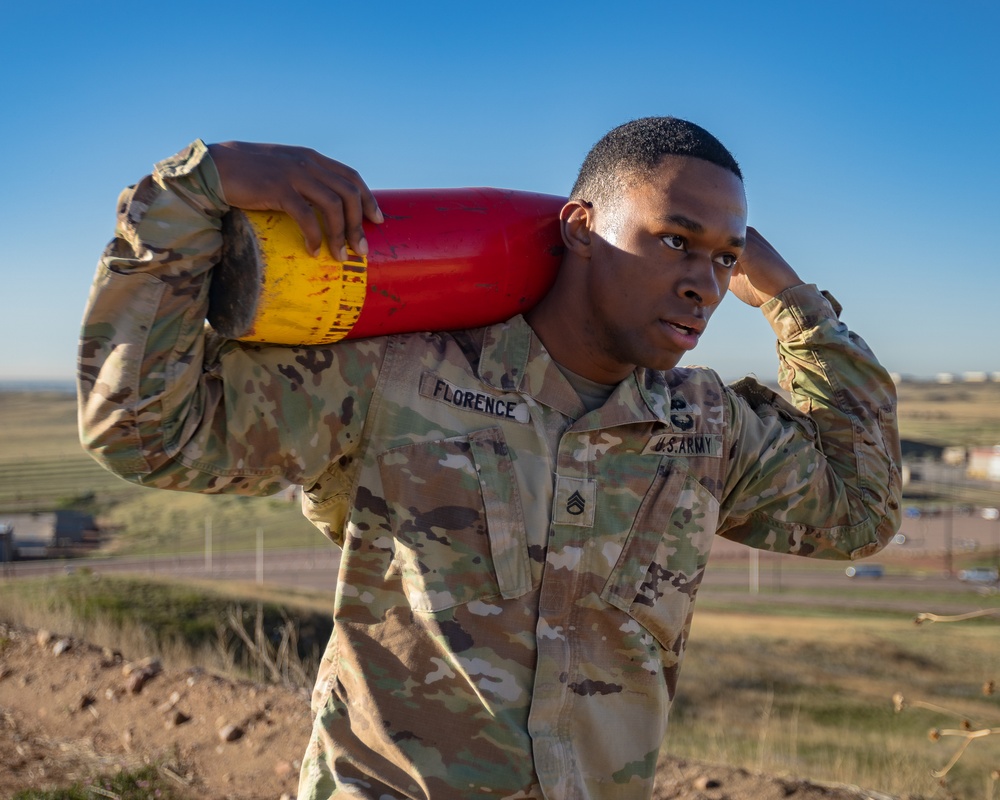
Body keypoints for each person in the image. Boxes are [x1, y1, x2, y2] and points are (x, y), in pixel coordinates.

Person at [78, 117, 902, 800]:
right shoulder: (402, 377)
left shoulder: (706, 428)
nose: (706, 285)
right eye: (674, 240)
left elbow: (860, 513)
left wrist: (797, 306)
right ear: (581, 228)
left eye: (725, 257)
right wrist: (197, 185)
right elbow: (143, 428)